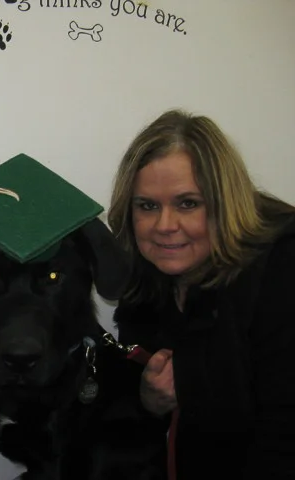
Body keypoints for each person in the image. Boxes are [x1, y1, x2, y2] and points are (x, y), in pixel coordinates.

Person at [107, 109, 295, 479]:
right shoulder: (145, 277)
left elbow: (285, 434)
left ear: (225, 203)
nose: (165, 226)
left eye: (188, 203)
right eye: (147, 206)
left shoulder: (283, 266)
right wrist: (149, 399)